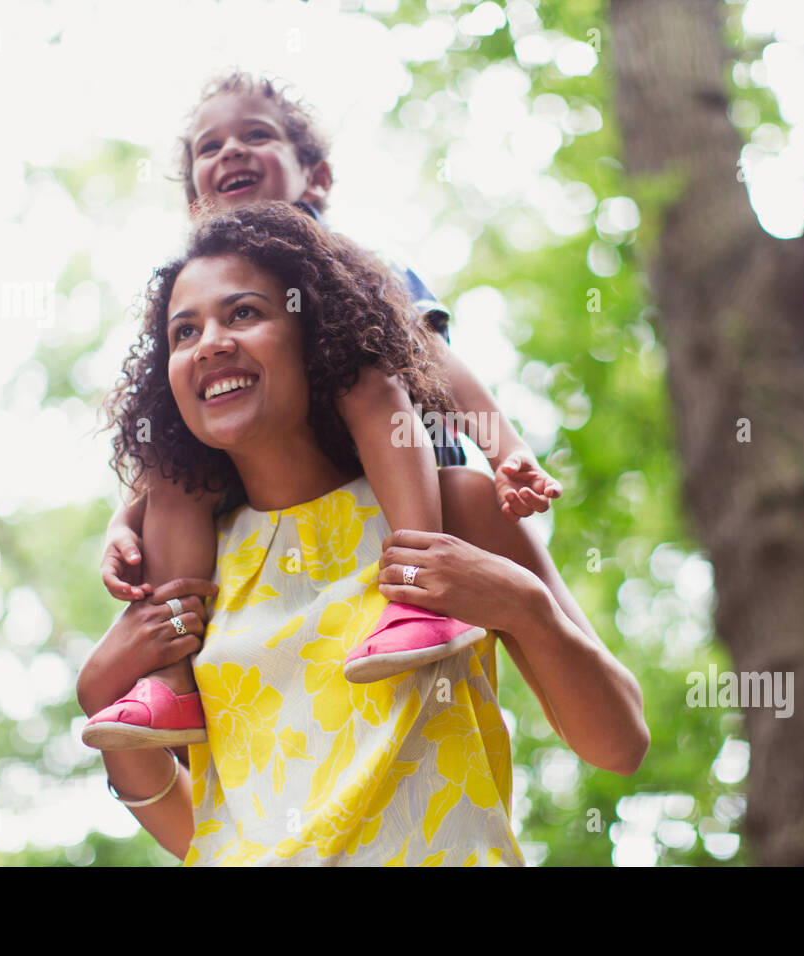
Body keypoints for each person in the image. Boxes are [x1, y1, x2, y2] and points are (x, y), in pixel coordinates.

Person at [75, 203, 648, 865]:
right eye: (184, 331)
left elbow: (620, 744)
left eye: (244, 314)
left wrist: (526, 607)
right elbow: (205, 835)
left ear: (316, 335)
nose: (209, 343)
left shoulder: (448, 510)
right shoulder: (189, 567)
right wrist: (99, 696)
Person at [84, 71, 562, 750]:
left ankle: (412, 591)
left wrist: (504, 448)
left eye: (256, 135)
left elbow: (433, 361)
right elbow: (170, 429)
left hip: (386, 448)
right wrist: (121, 518)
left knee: (366, 373)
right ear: (196, 200)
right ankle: (172, 679)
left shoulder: (348, 264)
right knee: (171, 472)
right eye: (209, 147)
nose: (230, 153)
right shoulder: (197, 289)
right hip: (263, 466)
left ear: (317, 178)